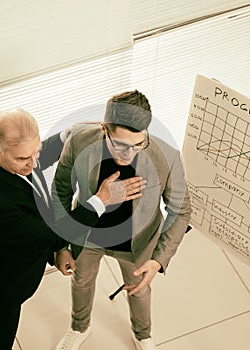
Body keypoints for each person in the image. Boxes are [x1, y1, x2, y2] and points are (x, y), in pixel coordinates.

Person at [0, 108, 144, 350]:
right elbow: (53, 234)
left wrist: (67, 136)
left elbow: (33, 166)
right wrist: (101, 200)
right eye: (23, 159)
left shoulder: (0, 146)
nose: (32, 164)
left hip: (13, 245)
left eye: (36, 152)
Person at [52, 90, 192, 350]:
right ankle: (79, 326)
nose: (129, 153)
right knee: (81, 281)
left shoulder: (168, 155)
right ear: (104, 129)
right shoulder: (79, 140)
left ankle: (142, 335)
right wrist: (60, 245)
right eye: (120, 144)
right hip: (88, 234)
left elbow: (181, 210)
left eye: (138, 144)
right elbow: (61, 190)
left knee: (138, 290)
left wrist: (158, 260)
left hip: (137, 243)